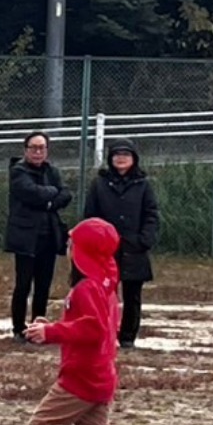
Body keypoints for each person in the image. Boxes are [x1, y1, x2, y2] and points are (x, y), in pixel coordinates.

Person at [22, 218, 174, 425]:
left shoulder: (86, 288)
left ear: (82, 251)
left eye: (72, 242)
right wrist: (54, 328)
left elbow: (92, 329)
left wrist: (51, 332)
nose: (67, 246)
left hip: (82, 378)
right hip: (100, 375)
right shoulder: (105, 283)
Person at [79, 138, 159, 348]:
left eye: (126, 154)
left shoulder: (143, 185)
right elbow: (90, 216)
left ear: (134, 159)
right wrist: (95, 243)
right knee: (104, 295)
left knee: (133, 296)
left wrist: (144, 240)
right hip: (105, 251)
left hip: (134, 248)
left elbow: (151, 215)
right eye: (117, 154)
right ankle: (104, 333)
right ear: (110, 158)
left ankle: (127, 338)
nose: (121, 158)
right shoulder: (99, 184)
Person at [5, 133, 72, 342]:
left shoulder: (52, 171)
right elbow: (30, 193)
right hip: (25, 237)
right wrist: (52, 194)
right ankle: (18, 328)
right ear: (25, 150)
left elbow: (66, 194)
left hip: (48, 237)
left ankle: (38, 326)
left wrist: (50, 200)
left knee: (43, 286)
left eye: (42, 148)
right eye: (33, 148)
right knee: (23, 285)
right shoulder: (18, 171)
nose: (37, 152)